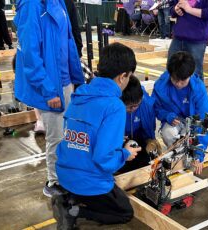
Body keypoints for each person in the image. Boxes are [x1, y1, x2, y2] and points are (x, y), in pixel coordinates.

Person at [52, 43, 140, 229]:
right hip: (89, 182)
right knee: (125, 213)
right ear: (122, 76)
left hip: (64, 173)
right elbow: (104, 159)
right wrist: (125, 154)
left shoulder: (80, 94)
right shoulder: (114, 106)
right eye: (129, 76)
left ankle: (68, 197)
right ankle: (75, 211)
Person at [14, 0, 84, 197]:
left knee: (68, 135)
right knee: (56, 137)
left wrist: (75, 77)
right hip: (51, 86)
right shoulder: (32, 5)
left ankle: (66, 176)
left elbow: (68, 41)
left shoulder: (58, 2)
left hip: (65, 81)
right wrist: (48, 90)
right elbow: (30, 54)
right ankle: (54, 182)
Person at [152, 51, 208, 175]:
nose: (178, 84)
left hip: (191, 123)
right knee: (168, 133)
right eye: (175, 80)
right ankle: (179, 158)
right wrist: (167, 116)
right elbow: (155, 107)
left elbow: (205, 122)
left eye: (183, 81)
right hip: (174, 121)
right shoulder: (160, 86)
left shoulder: (198, 88)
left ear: (190, 75)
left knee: (189, 140)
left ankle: (187, 155)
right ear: (170, 74)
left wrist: (199, 154)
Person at [168, 0, 208, 80]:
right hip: (178, 37)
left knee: (195, 74)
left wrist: (189, 9)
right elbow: (171, 8)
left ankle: (197, 92)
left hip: (197, 40)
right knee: (171, 71)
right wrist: (175, 9)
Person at [119, 76, 160, 173]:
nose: (133, 109)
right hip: (120, 140)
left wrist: (151, 143)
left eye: (136, 105)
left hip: (139, 139)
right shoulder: (114, 107)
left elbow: (149, 133)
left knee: (146, 160)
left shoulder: (146, 104)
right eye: (129, 107)